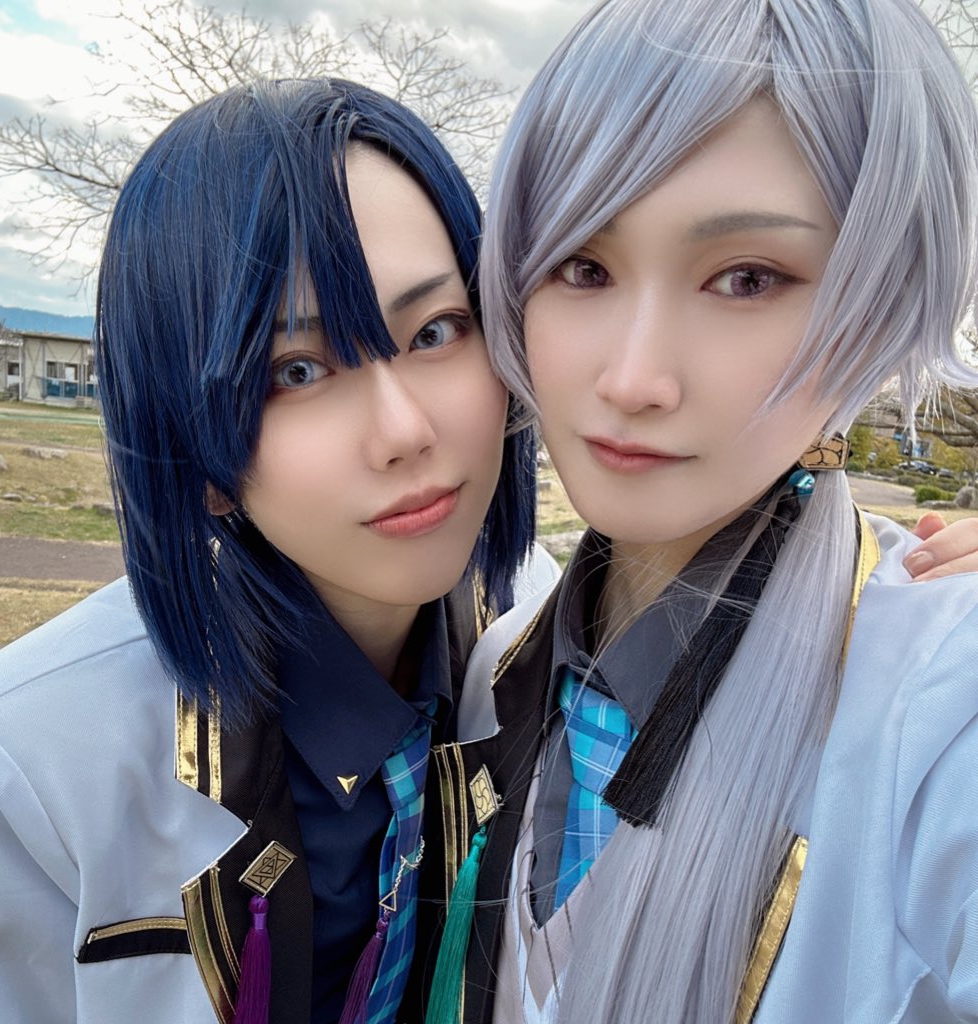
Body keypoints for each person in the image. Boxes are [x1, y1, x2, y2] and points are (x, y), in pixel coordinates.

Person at [413, 1, 978, 1022]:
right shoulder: (498, 674)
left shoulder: (937, 706)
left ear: (878, 304)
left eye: (746, 278)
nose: (632, 379)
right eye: (583, 266)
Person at [0, 78, 544, 1024]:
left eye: (436, 331)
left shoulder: (547, 636)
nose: (405, 430)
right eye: (297, 371)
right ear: (197, 453)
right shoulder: (30, 769)